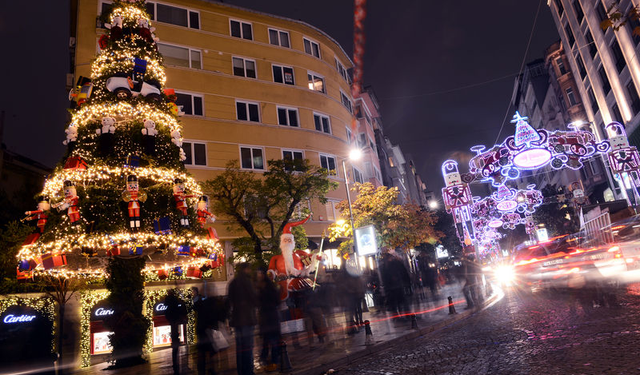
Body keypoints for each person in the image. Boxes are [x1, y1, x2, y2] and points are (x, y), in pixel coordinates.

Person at [228, 262, 258, 375]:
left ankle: (241, 371)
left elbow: (230, 300)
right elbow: (254, 298)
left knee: (239, 347)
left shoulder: (233, 283)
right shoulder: (247, 282)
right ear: (246, 269)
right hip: (247, 318)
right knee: (248, 346)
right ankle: (248, 370)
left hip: (236, 319)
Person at [256, 268, 281, 372]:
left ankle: (274, 360)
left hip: (270, 316)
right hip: (266, 317)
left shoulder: (269, 287)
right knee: (266, 339)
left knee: (272, 339)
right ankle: (265, 359)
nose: (258, 276)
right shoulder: (260, 287)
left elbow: (276, 301)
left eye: (260, 274)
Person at [165, 289, 187, 375]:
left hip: (171, 316)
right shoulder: (175, 299)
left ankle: (174, 338)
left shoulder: (168, 299)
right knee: (175, 326)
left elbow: (166, 305)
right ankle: (175, 337)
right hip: (175, 316)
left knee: (173, 326)